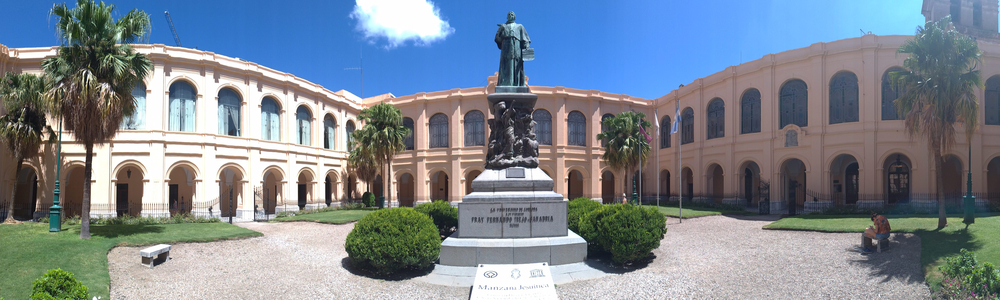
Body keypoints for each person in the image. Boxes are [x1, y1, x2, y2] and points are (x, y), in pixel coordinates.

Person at [495, 11, 530, 87]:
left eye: (512, 14)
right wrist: (502, 34)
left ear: (514, 17)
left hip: (516, 46)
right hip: (506, 47)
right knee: (506, 63)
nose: (510, 15)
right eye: (509, 14)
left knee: (517, 63)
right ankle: (505, 83)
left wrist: (527, 46)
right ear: (507, 17)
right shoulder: (503, 26)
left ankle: (516, 83)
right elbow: (497, 38)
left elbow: (526, 39)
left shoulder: (520, 26)